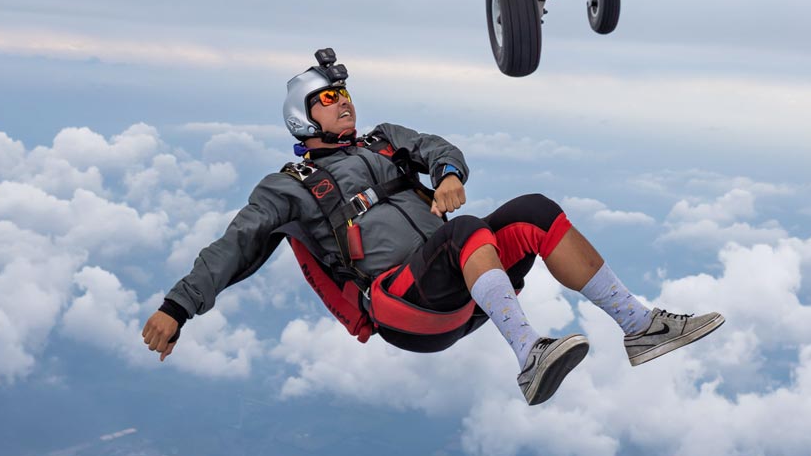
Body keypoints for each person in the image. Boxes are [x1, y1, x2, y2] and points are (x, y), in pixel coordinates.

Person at [140, 52, 724, 406]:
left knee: (535, 211)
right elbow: (233, 247)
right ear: (303, 114)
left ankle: (640, 327)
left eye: (344, 93)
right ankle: (529, 355)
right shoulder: (288, 185)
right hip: (401, 305)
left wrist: (446, 171)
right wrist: (177, 306)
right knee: (466, 229)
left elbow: (439, 147)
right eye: (329, 98)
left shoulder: (385, 138)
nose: (344, 103)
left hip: (457, 280)